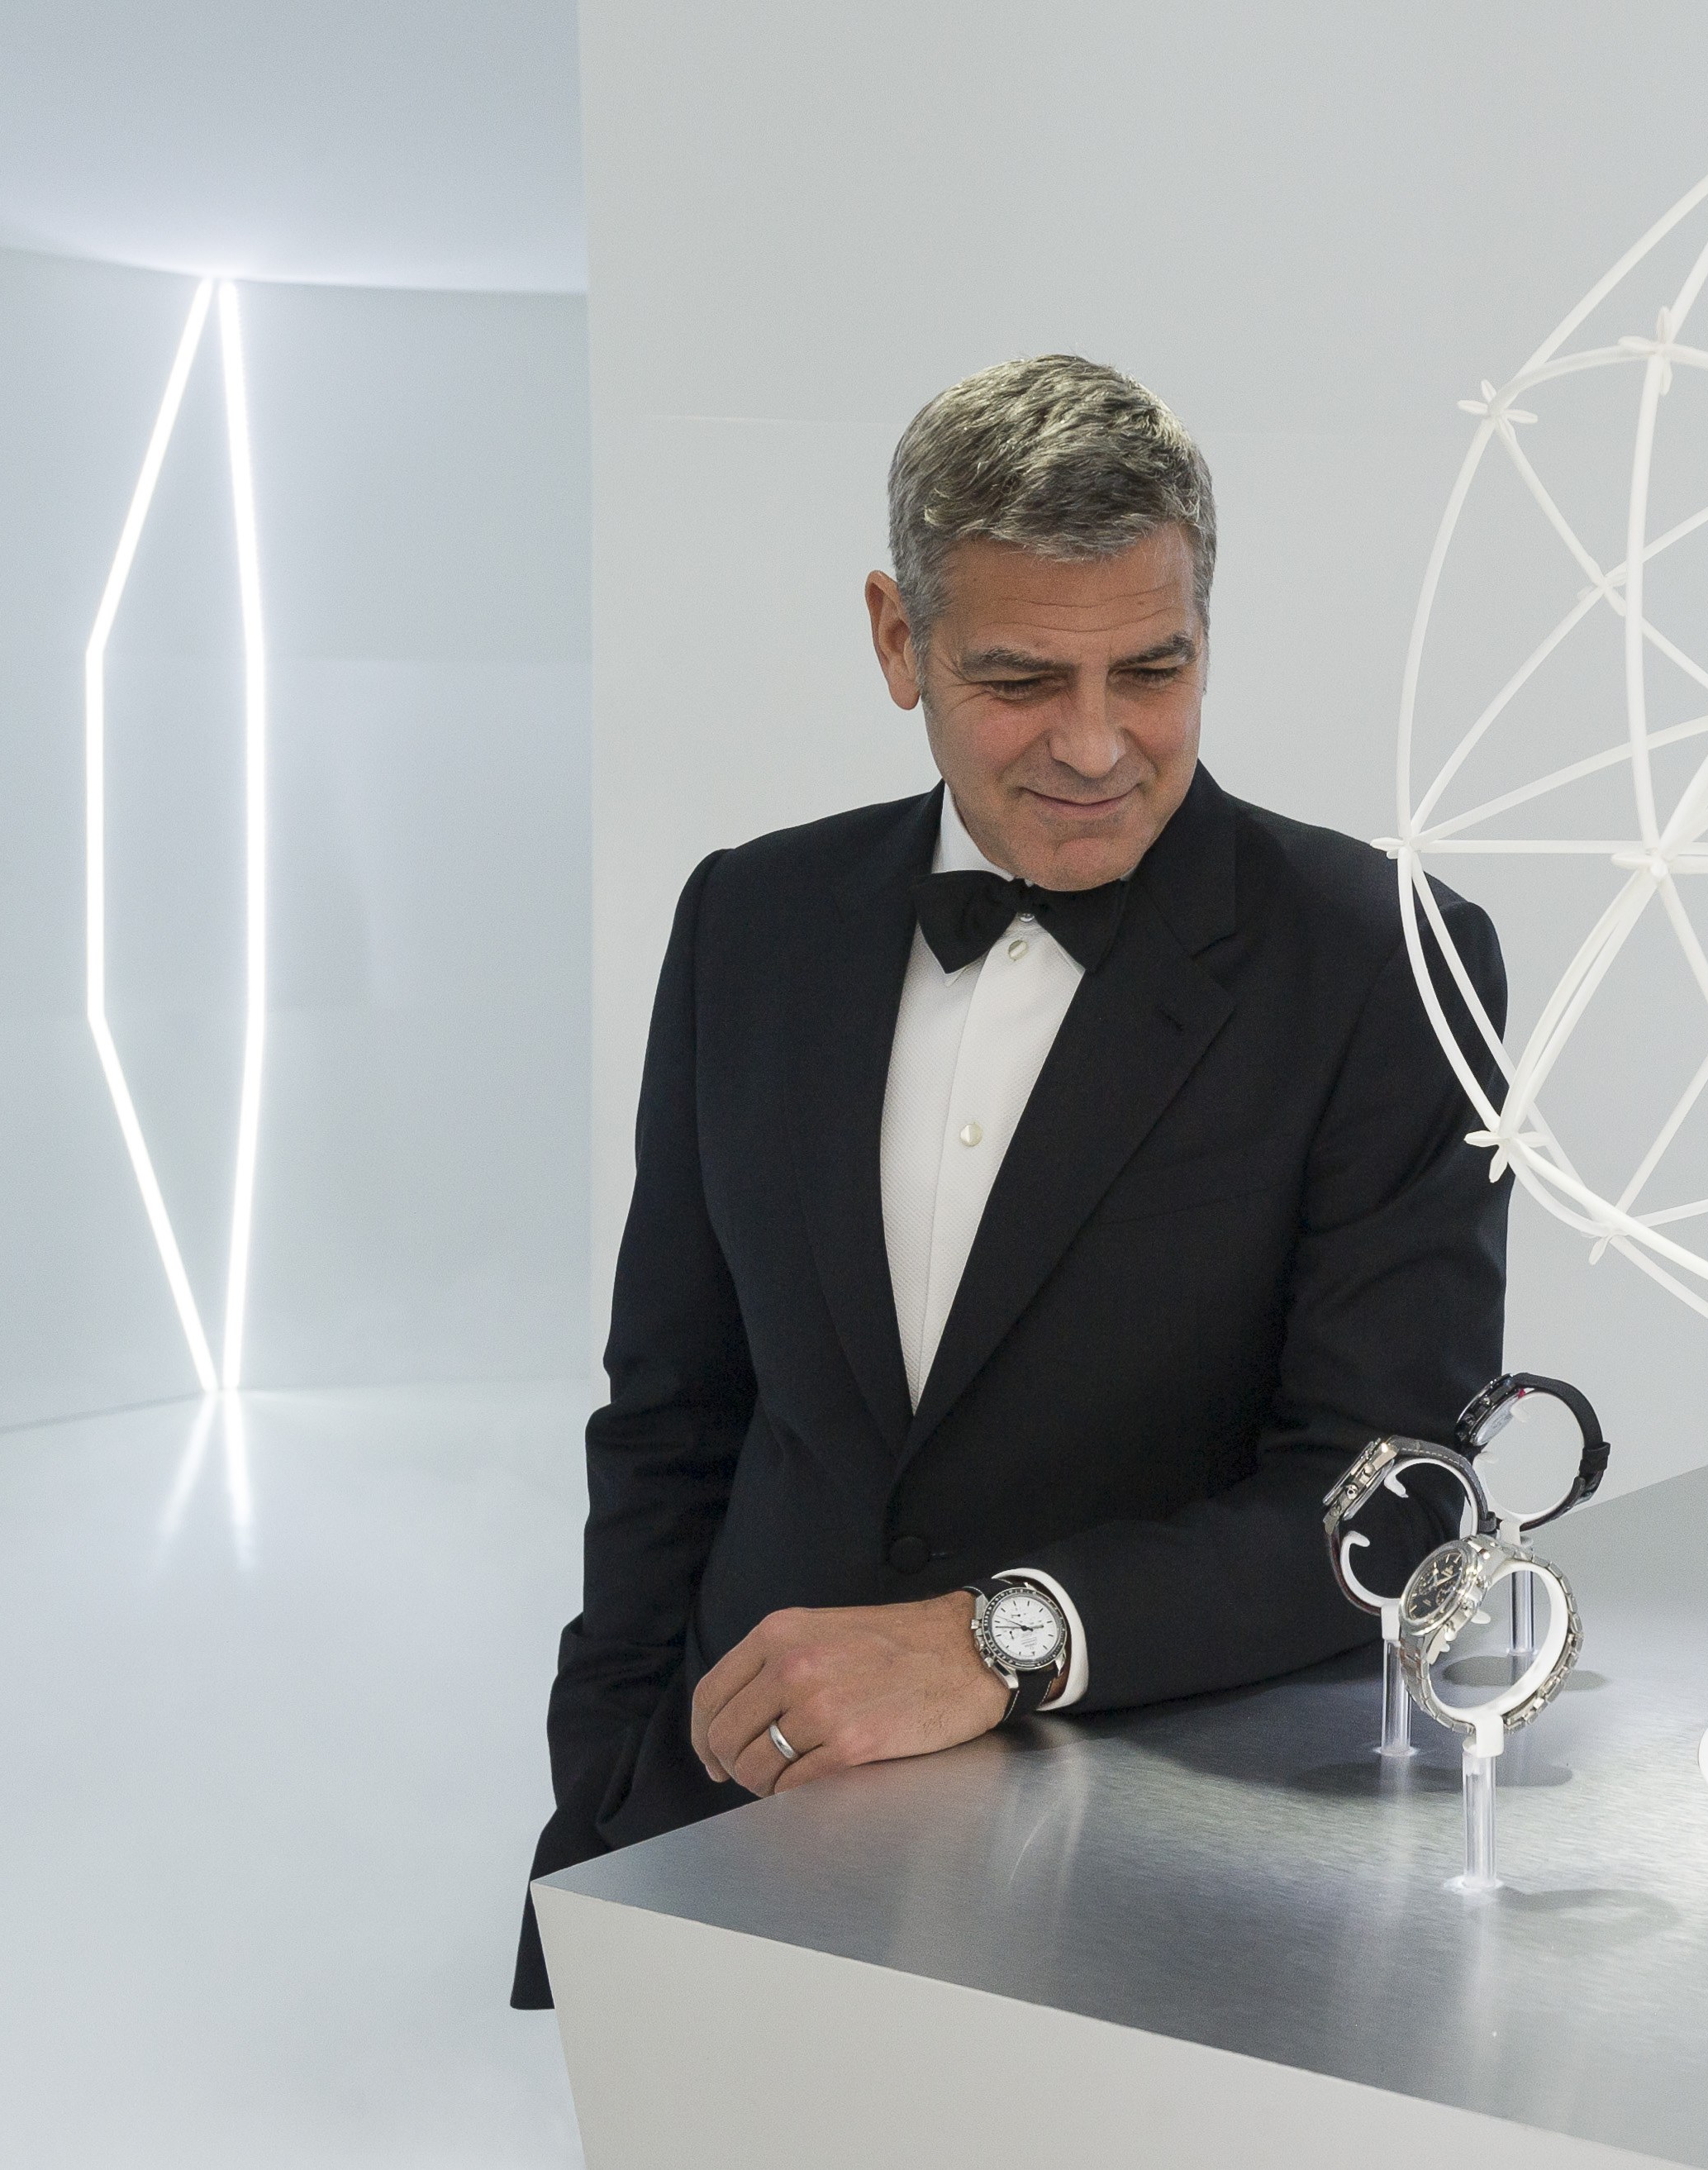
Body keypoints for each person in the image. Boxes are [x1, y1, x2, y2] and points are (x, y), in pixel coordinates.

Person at [511, 357, 1506, 2009]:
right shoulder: (747, 918)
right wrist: (603, 1801)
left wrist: (999, 1635)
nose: (1098, 742)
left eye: (1153, 667)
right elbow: (671, 1412)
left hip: (1143, 1887)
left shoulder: (1387, 964)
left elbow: (1390, 1502)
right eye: (1021, 678)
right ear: (897, 639)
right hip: (722, 1838)